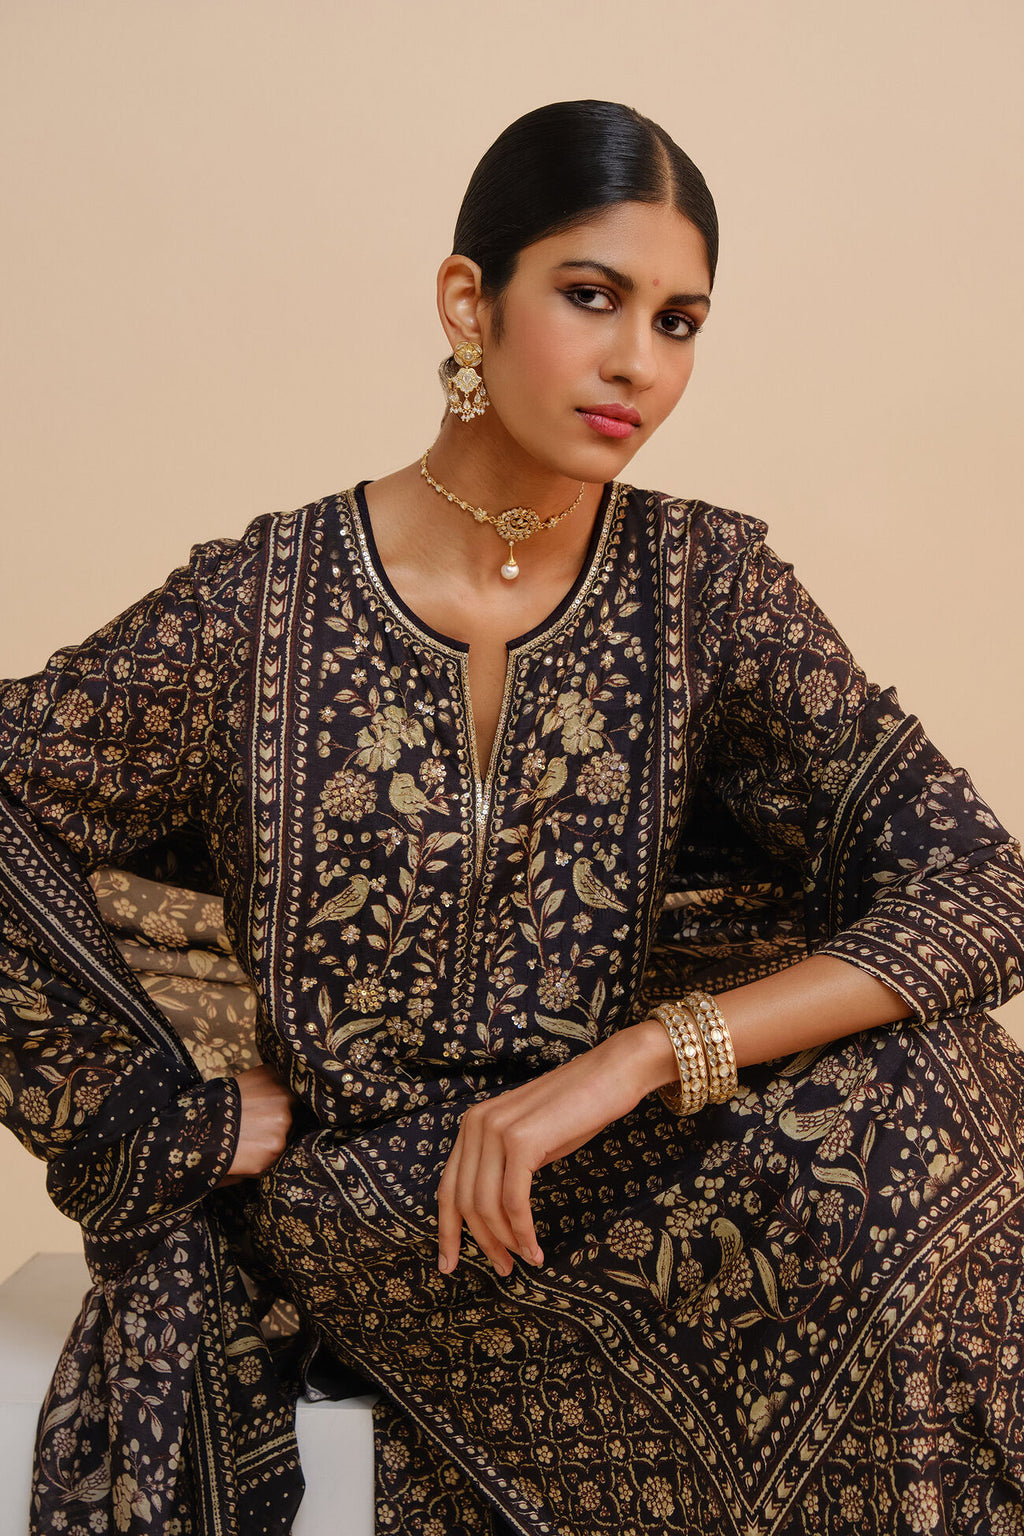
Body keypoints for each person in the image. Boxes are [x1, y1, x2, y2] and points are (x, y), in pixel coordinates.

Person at [2, 98, 1024, 1536]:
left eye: (679, 322)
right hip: (389, 1209)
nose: (635, 363)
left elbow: (983, 889)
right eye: (593, 297)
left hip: (634, 1166)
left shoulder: (707, 587)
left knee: (944, 1087)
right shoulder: (261, 609)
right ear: (469, 301)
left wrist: (636, 1061)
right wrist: (162, 1108)